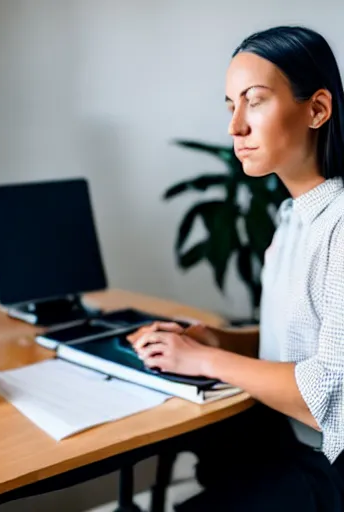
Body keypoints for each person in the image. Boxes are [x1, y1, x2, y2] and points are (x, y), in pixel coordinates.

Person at [128, 25, 344, 511]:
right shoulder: (292, 217)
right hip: (282, 441)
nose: (235, 126)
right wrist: (218, 342)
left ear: (317, 109)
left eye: (256, 100)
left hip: (327, 470)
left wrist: (202, 361)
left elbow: (324, 396)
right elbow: (298, 342)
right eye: (231, 105)